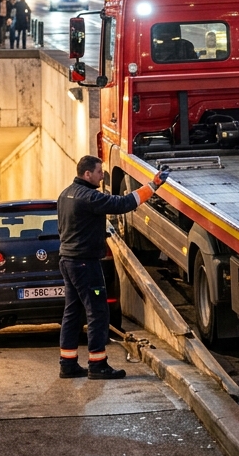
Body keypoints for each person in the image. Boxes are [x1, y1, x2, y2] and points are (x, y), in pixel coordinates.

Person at [56, 155, 169, 378]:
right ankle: (98, 365)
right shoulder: (89, 197)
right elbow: (123, 203)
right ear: (87, 174)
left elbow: (70, 226)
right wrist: (153, 185)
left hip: (68, 261)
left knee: (72, 312)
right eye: (99, 172)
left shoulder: (65, 194)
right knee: (98, 312)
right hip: (85, 263)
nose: (102, 175)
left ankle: (67, 364)